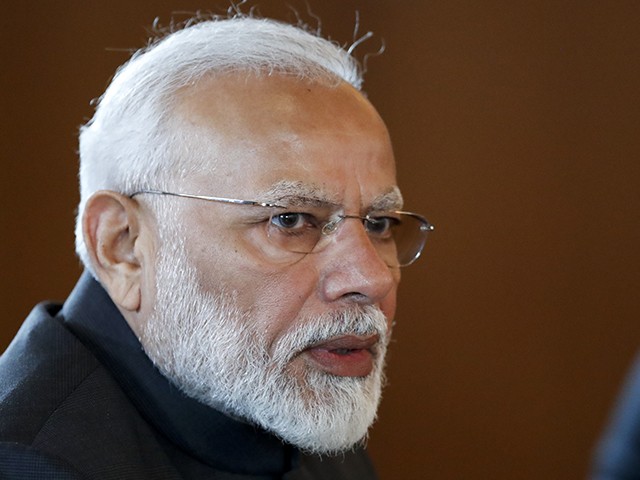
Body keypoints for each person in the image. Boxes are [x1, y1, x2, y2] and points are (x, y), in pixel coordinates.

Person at [0, 12, 433, 480]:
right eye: (290, 220)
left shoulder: (295, 408)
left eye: (379, 223)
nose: (372, 278)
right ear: (122, 246)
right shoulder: (29, 463)